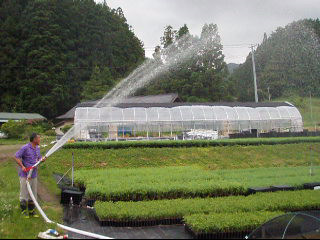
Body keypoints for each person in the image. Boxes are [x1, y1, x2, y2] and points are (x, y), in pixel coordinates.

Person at [14, 133, 47, 218]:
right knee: (24, 193)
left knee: (33, 194)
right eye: (39, 138)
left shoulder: (37, 148)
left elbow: (38, 158)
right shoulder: (25, 148)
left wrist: (42, 159)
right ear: (34, 139)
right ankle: (24, 211)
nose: (40, 140)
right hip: (25, 175)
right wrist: (22, 166)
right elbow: (16, 157)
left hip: (34, 174)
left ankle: (32, 211)